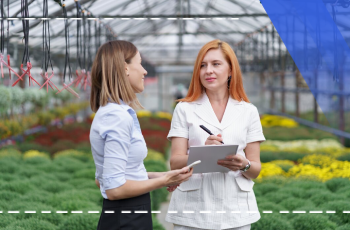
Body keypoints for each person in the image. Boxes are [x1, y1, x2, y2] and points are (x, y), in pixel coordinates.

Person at [89, 40, 193, 230]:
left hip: (127, 214)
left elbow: (106, 178)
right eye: (140, 63)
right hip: (127, 219)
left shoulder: (116, 112)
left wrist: (162, 176)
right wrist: (164, 181)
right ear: (125, 68)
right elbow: (114, 189)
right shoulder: (117, 116)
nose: (145, 71)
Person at [165, 39, 266, 230]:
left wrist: (244, 164)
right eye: (202, 65)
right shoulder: (184, 109)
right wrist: (203, 152)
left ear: (230, 70)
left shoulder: (248, 111)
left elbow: (256, 169)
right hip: (193, 210)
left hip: (236, 211)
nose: (208, 70)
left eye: (216, 64)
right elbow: (175, 162)